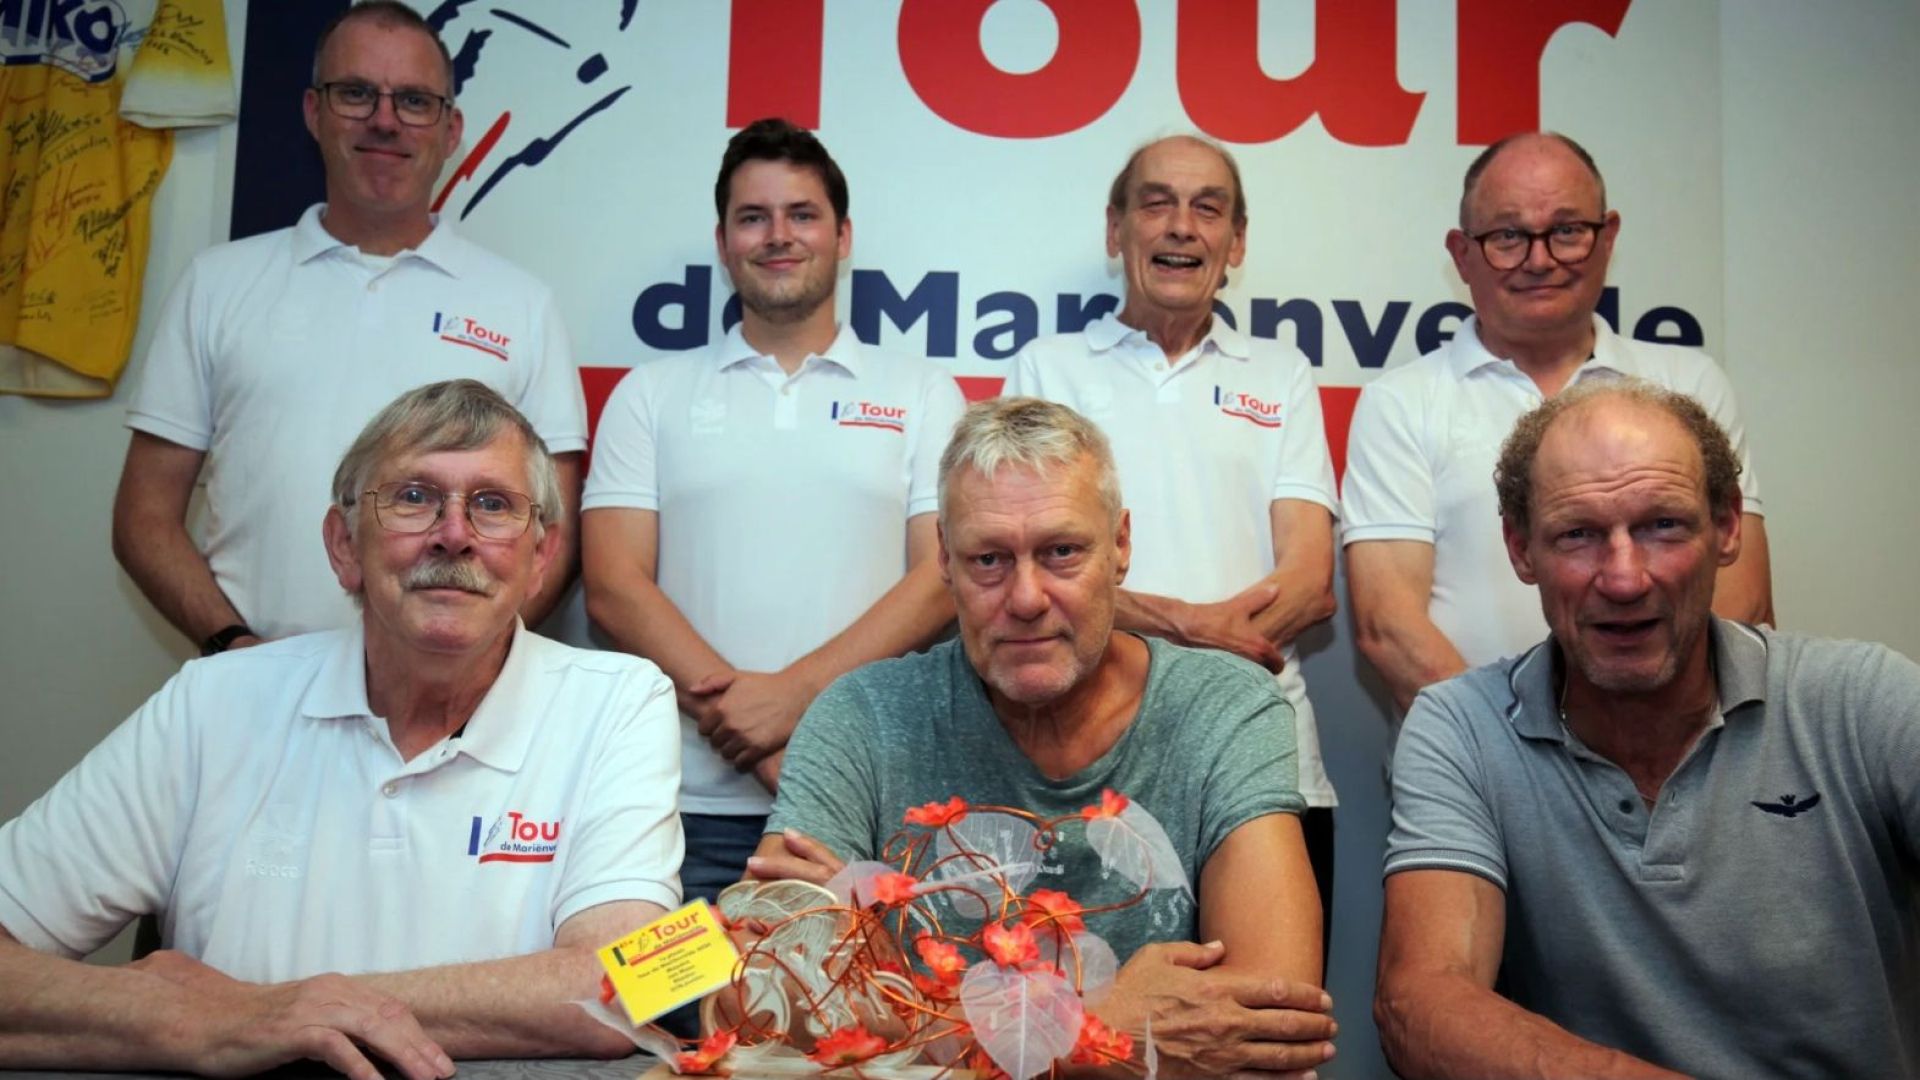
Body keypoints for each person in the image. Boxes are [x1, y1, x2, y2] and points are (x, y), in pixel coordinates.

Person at [0, 381, 682, 1076]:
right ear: (343, 545)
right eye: (413, 497)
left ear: (541, 558)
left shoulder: (618, 701)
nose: (454, 534)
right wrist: (179, 1018)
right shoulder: (215, 699)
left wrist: (267, 1009)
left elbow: (630, 987)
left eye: (493, 505)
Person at [752, 397, 1336, 1079]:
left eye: (1062, 552)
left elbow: (1270, 1023)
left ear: (1120, 545)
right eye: (989, 560)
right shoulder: (863, 716)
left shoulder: (1224, 706)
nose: (1026, 598)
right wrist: (1102, 1030)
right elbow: (771, 1003)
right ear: (944, 557)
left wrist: (895, 1008)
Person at [1374, 380, 1920, 1079]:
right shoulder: (1464, 728)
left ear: (1727, 528)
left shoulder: (1859, 701)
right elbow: (1420, 1006)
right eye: (1579, 535)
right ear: (1520, 549)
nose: (1624, 578)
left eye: (1663, 525)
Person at [114, 0, 587, 655]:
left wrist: (460, 661)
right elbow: (145, 518)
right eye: (356, 93)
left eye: (415, 101)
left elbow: (550, 535)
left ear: (451, 131)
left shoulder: (523, 305)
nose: (385, 120)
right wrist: (231, 645)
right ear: (314, 112)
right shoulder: (216, 283)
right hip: (254, 690)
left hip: (454, 703)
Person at [581, 118, 965, 908]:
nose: (777, 236)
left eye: (802, 214)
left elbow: (942, 579)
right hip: (680, 809)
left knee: (867, 1029)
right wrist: (750, 734)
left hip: (870, 796)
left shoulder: (921, 392)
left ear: (843, 234)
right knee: (673, 1024)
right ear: (723, 242)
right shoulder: (651, 394)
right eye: (753, 218)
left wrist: (791, 698)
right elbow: (615, 587)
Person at [1006, 134, 1340, 919]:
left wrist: (1187, 640)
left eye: (1207, 207)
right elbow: (1029, 577)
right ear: (1115, 229)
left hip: (1265, 753)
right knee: (1083, 1025)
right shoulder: (1047, 369)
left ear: (1237, 241)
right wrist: (1194, 626)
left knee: (1267, 1024)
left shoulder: (1281, 373)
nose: (1182, 226)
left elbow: (1308, 575)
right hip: (1090, 759)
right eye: (1156, 203)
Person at [1343, 131, 1772, 713]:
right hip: (1479, 778)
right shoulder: (1399, 402)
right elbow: (1388, 628)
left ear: (1608, 237)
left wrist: (1640, 744)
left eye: (1567, 231)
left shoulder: (1689, 383)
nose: (1539, 259)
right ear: (1462, 253)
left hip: (1682, 765)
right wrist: (1522, 752)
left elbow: (1740, 603)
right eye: (1509, 236)